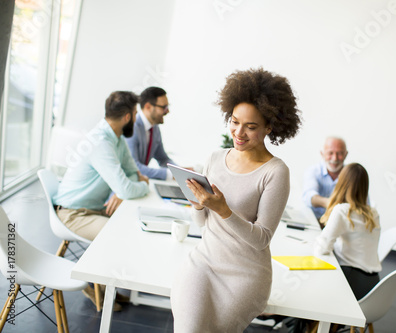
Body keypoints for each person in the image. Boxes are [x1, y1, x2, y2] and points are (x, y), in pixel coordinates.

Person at [171, 68, 302, 332]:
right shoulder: (215, 159)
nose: (238, 132)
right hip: (204, 263)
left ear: (270, 126)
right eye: (234, 121)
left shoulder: (275, 172)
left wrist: (224, 210)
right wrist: (199, 203)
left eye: (251, 126)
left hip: (245, 277)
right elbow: (203, 224)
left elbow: (262, 238)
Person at [53, 91, 150, 310]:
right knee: (116, 234)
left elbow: (130, 172)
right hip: (73, 213)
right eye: (135, 113)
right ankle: (97, 288)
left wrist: (126, 187)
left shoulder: (115, 138)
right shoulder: (100, 141)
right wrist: (142, 185)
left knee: (131, 227)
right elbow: (127, 185)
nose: (136, 118)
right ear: (127, 117)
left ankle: (108, 288)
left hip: (93, 209)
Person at [314, 163, 381, 300]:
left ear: (342, 183)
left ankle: (280, 315)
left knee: (313, 282)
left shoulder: (342, 210)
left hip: (351, 282)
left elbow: (322, 248)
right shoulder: (373, 213)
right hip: (373, 285)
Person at [125, 86, 178, 180]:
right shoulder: (132, 127)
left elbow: (163, 158)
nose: (168, 111)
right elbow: (134, 167)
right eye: (164, 107)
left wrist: (180, 171)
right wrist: (169, 174)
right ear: (148, 107)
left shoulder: (154, 128)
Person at [303, 137, 349, 220]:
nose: (335, 158)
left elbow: (364, 205)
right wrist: (330, 203)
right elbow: (308, 196)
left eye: (339, 153)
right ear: (322, 154)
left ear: (346, 155)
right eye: (330, 153)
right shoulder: (313, 171)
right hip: (315, 221)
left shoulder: (352, 176)